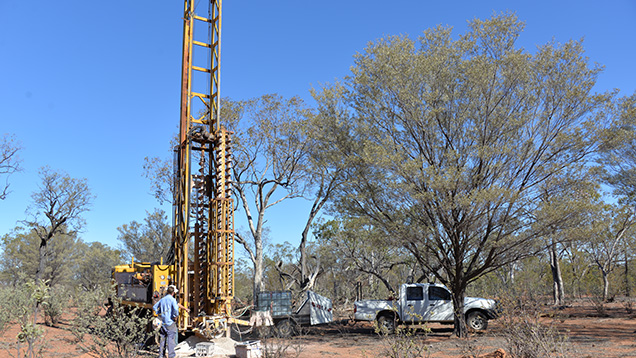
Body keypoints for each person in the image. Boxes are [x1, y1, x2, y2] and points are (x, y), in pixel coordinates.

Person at [153, 285, 179, 358]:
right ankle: (171, 356)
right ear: (173, 293)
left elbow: (154, 307)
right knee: (171, 340)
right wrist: (175, 316)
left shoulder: (163, 299)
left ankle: (161, 355)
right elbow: (176, 310)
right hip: (170, 323)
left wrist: (159, 312)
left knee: (162, 340)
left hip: (163, 323)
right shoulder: (173, 300)